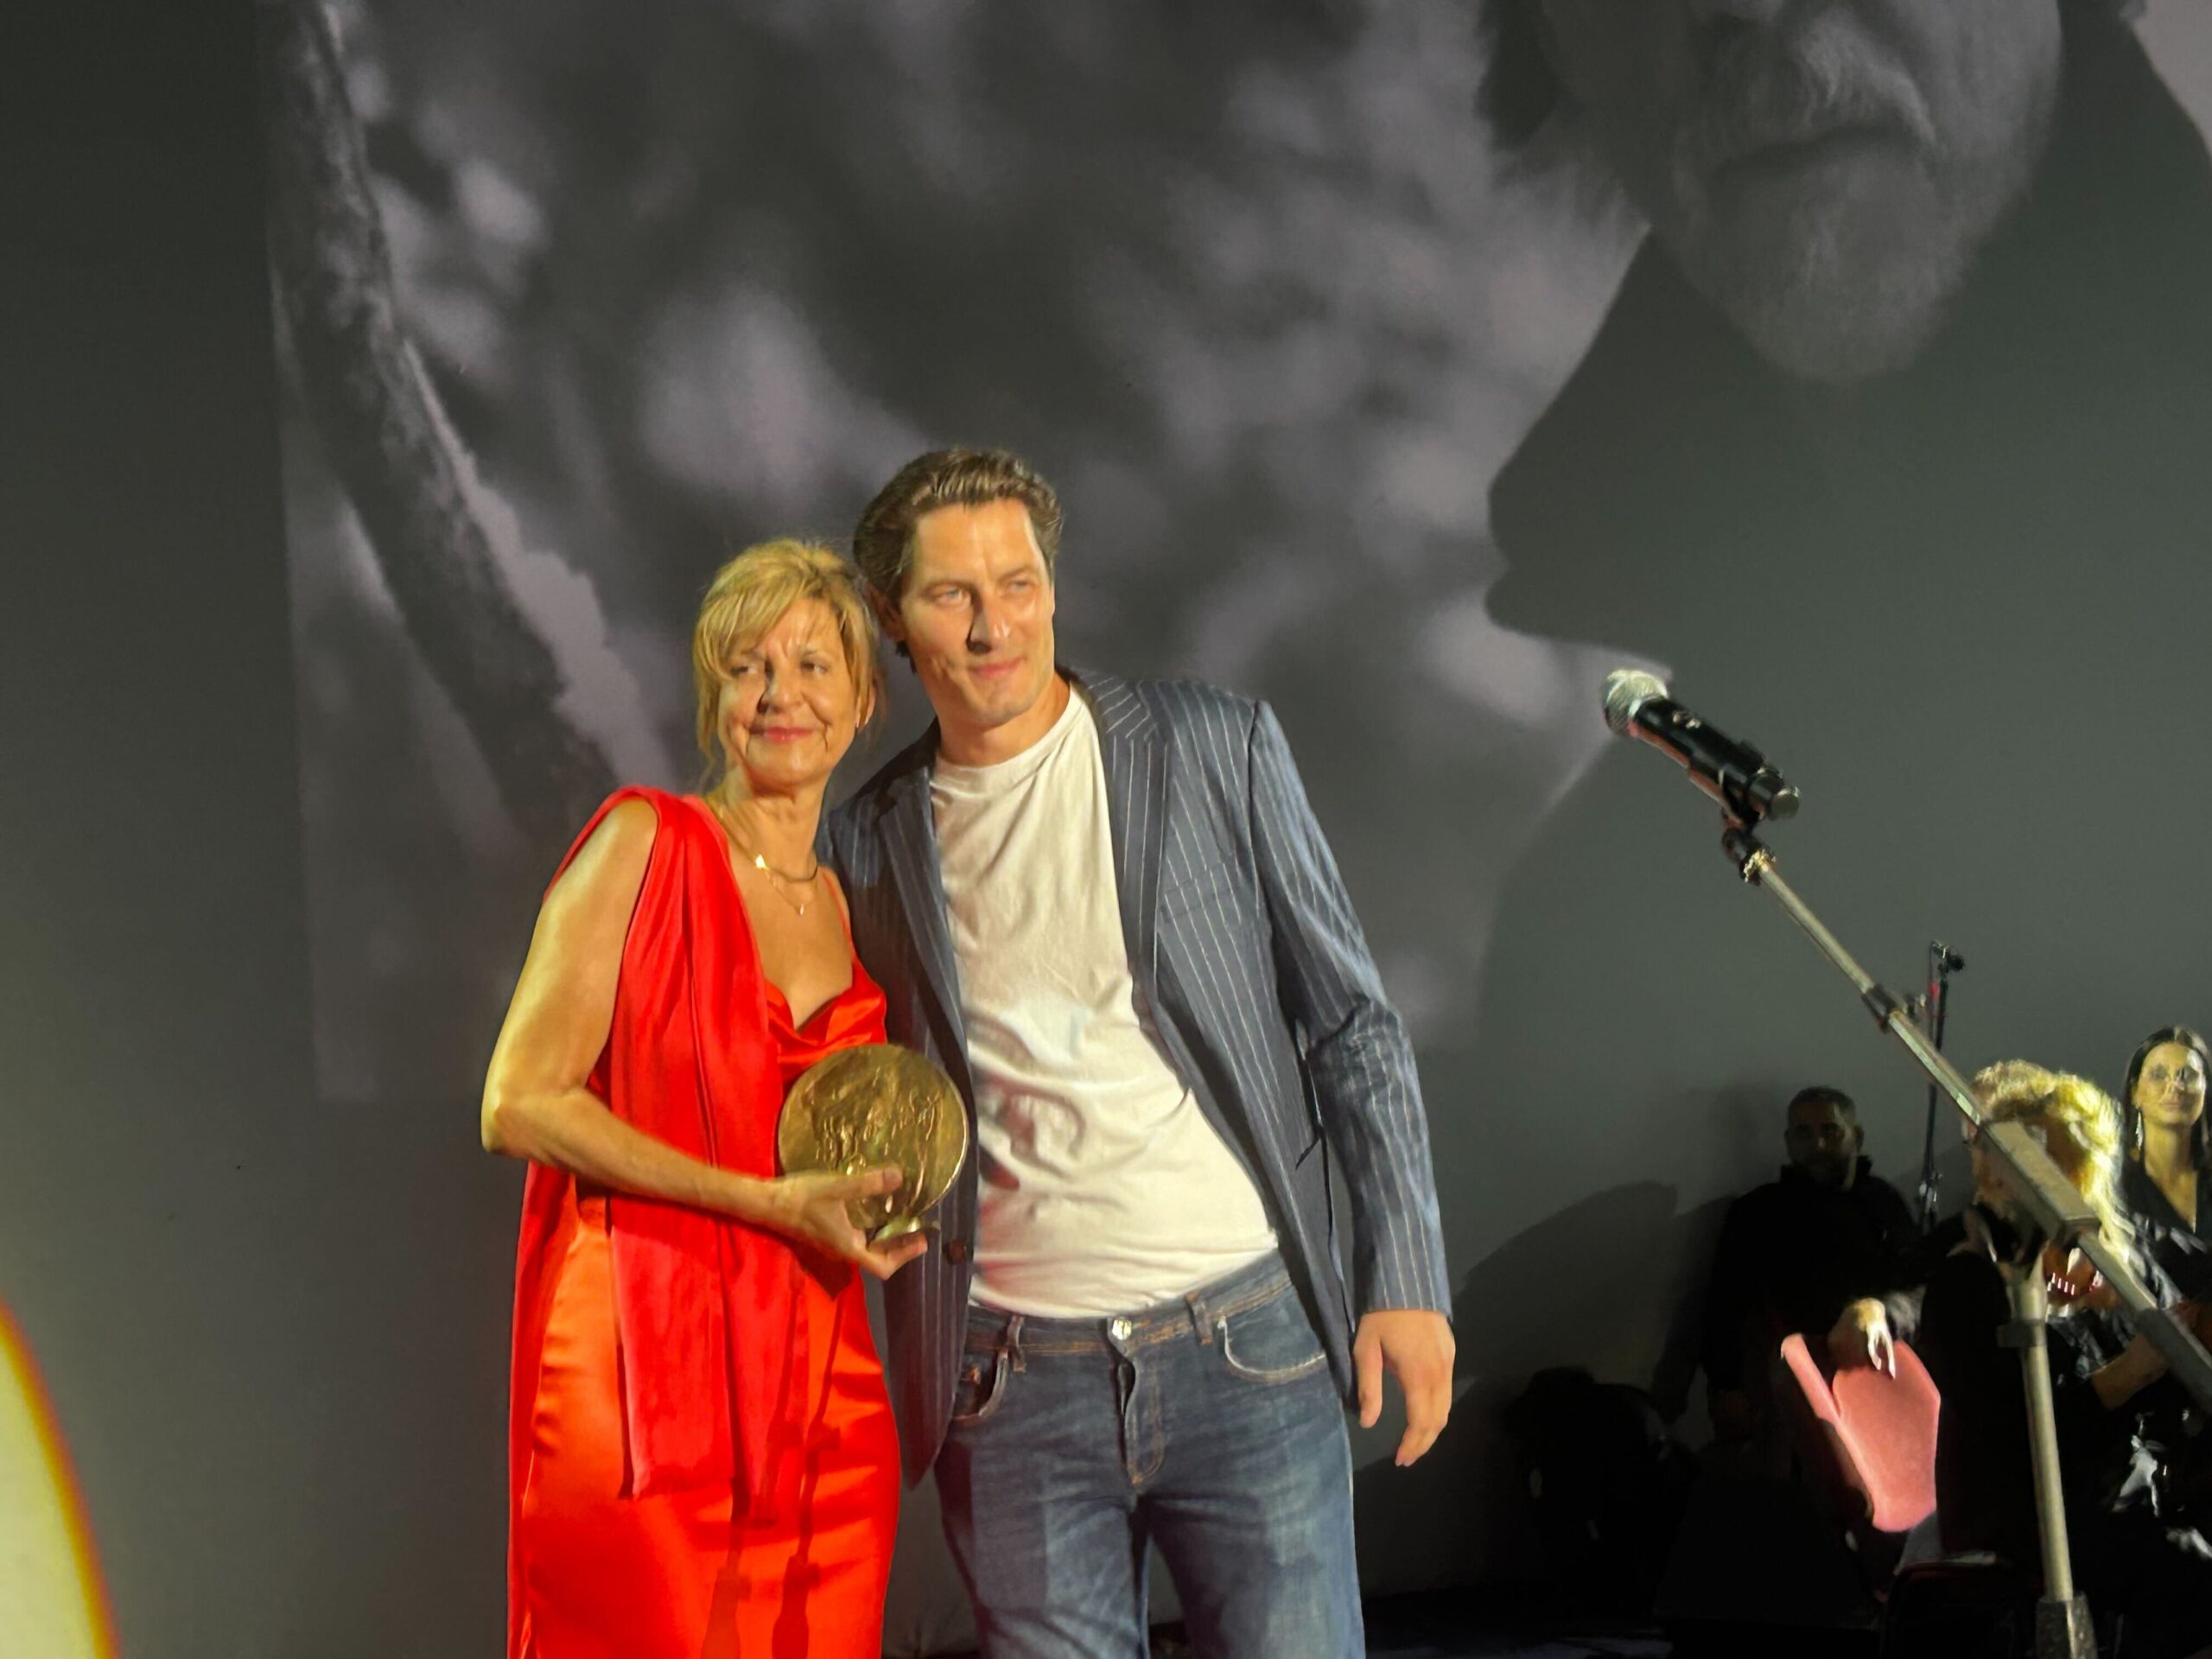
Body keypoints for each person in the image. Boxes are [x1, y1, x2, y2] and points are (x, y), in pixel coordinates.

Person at [823, 448, 1455, 1658]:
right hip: (1009, 1384)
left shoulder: (1214, 744)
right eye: (952, 595)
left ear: (1052, 588)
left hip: (1247, 1341)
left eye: (1019, 584)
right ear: (892, 618)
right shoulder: (866, 843)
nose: (995, 624)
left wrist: (1407, 1276)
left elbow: (1353, 1026)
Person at [480, 541, 927, 1659]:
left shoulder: (849, 902)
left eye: (812, 666)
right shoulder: (645, 841)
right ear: (712, 699)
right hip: (647, 1375)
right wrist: (761, 1203)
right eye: (747, 667)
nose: (780, 695)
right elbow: (517, 1101)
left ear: (862, 702)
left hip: (823, 1390)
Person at [1916, 1060, 2212, 1659]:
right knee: (2194, 1577)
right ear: (1996, 1172)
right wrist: (2125, 1374)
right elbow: (2019, 1436)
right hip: (2026, 1514)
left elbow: (2173, 1388)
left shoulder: (2115, 1264)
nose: (2073, 1184)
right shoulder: (1970, 1279)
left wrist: (2177, 1345)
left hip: (2127, 1489)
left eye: (2082, 1165)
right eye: (2052, 1165)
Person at [1700, 1086, 1922, 1447]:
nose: (1817, 1145)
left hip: (1887, 1367)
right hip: (1797, 1385)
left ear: (1856, 1137)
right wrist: (1726, 1386)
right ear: (1789, 1142)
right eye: (1804, 1133)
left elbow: (1917, 1282)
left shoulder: (1883, 1201)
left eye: (1830, 1131)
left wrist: (1883, 1313)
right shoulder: (1759, 1211)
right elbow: (1725, 1304)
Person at [2119, 1027, 2212, 1297]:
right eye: (2159, 1075)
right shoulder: (2113, 1185)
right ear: (2135, 1092)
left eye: (2187, 1075)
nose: (2175, 1086)